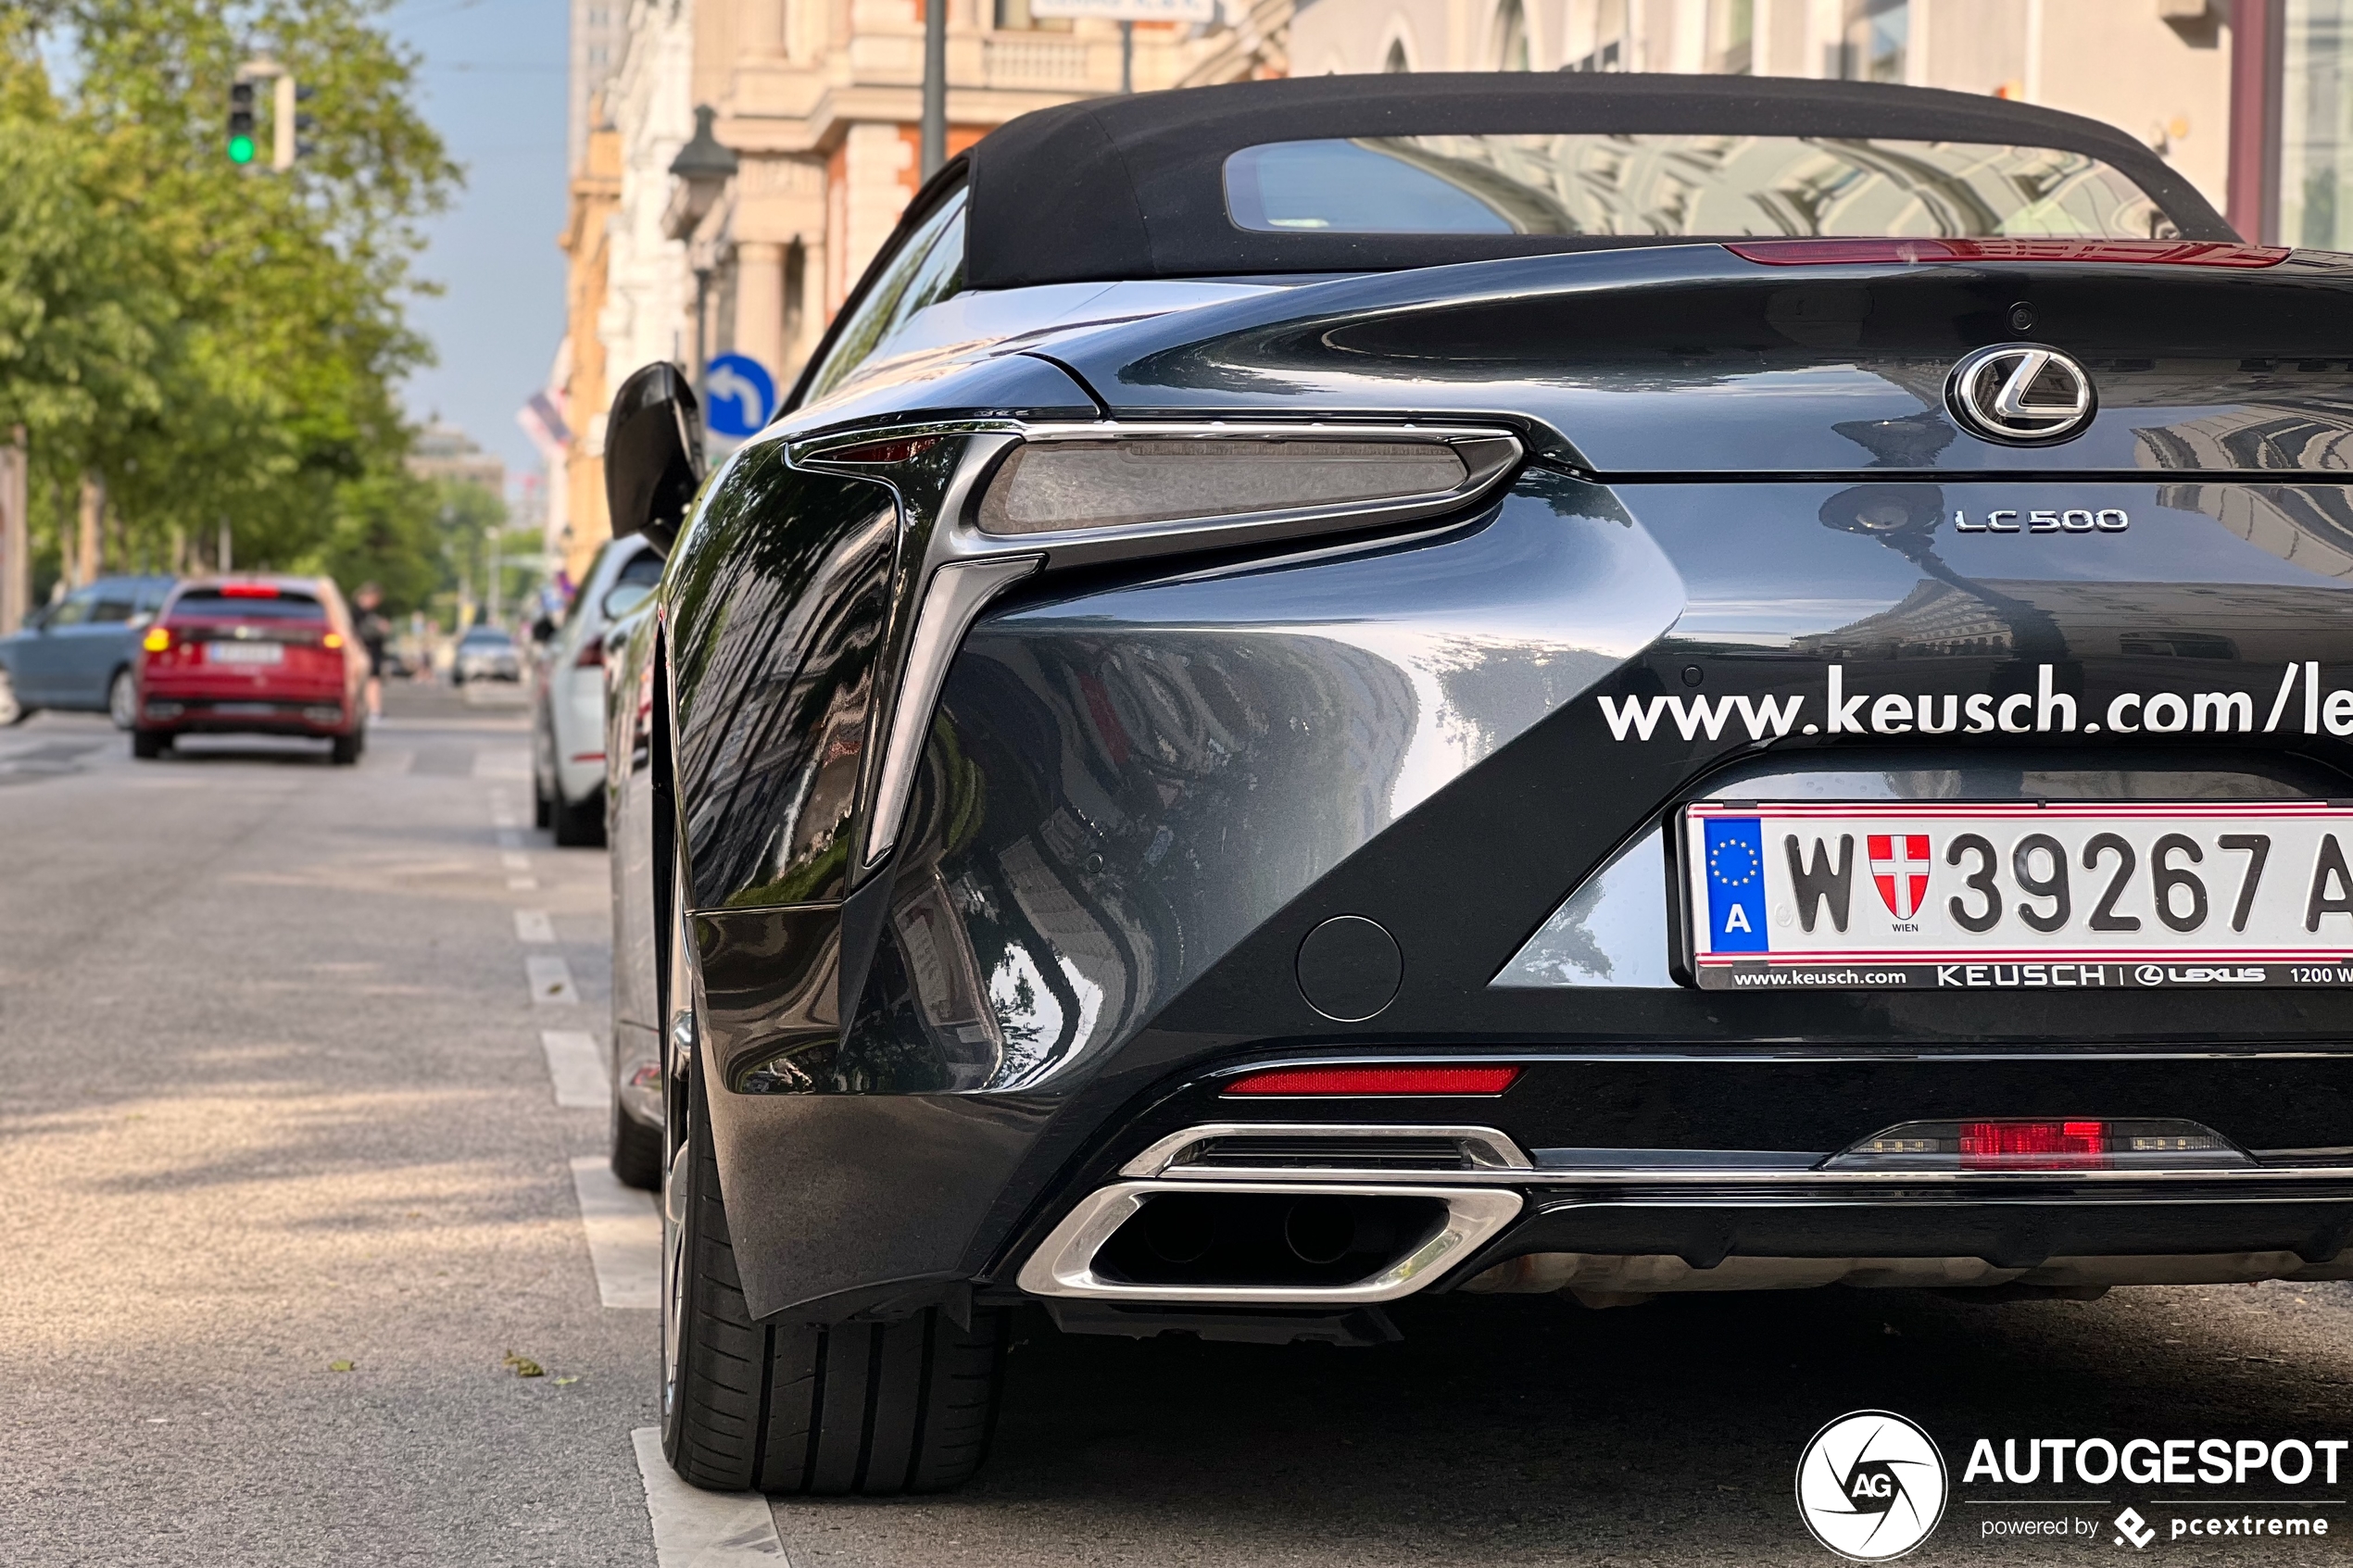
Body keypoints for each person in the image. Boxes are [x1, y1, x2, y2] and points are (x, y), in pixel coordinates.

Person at [352, 583, 393, 721]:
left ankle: (373, 710)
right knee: (369, 681)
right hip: (363, 650)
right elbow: (357, 632)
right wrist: (379, 627)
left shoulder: (367, 613)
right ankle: (373, 710)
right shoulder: (357, 612)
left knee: (372, 680)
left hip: (370, 650)